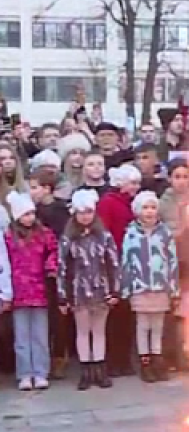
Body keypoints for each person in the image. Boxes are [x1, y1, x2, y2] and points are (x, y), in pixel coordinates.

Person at [58, 189, 120, 390]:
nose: (85, 216)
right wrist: (62, 296)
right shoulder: (68, 239)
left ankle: (100, 369)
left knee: (99, 331)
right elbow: (62, 268)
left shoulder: (104, 236)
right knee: (82, 331)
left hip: (101, 289)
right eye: (81, 212)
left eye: (89, 212)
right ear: (74, 213)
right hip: (79, 292)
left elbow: (113, 263)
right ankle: (86, 370)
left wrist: (115, 290)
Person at [121, 190, 178, 382]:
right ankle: (144, 361)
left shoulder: (164, 233)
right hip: (140, 286)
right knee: (143, 325)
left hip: (159, 286)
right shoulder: (130, 234)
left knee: (157, 325)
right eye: (145, 208)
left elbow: (172, 260)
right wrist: (126, 286)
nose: (149, 212)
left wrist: (173, 286)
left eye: (153, 207)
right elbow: (126, 261)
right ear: (138, 210)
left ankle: (157, 358)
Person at [5, 191, 57, 390]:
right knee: (22, 336)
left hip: (39, 290)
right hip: (19, 291)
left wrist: (51, 267)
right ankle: (25, 373)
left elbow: (53, 251)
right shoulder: (9, 236)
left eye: (31, 214)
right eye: (25, 214)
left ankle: (41, 371)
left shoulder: (44, 234)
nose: (30, 218)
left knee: (40, 334)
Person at [97, 164, 141, 376]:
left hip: (130, 264)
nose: (136, 187)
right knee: (115, 316)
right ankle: (114, 362)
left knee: (127, 315)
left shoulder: (131, 204)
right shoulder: (108, 203)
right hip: (114, 265)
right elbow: (104, 234)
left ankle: (124, 360)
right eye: (133, 183)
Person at [29, 173, 71, 378]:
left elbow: (61, 241)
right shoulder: (32, 212)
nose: (31, 192)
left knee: (57, 316)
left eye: (35, 187)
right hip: (35, 270)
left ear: (47, 189)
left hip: (55, 269)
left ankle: (59, 357)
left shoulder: (59, 211)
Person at [158, 158, 189, 372]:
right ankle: (170, 356)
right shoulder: (163, 203)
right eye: (176, 177)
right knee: (172, 311)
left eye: (185, 177)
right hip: (171, 261)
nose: (181, 181)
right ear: (169, 178)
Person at [57, 132, 91, 199]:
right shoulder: (57, 182)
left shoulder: (91, 183)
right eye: (73, 153)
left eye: (82, 154)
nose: (78, 157)